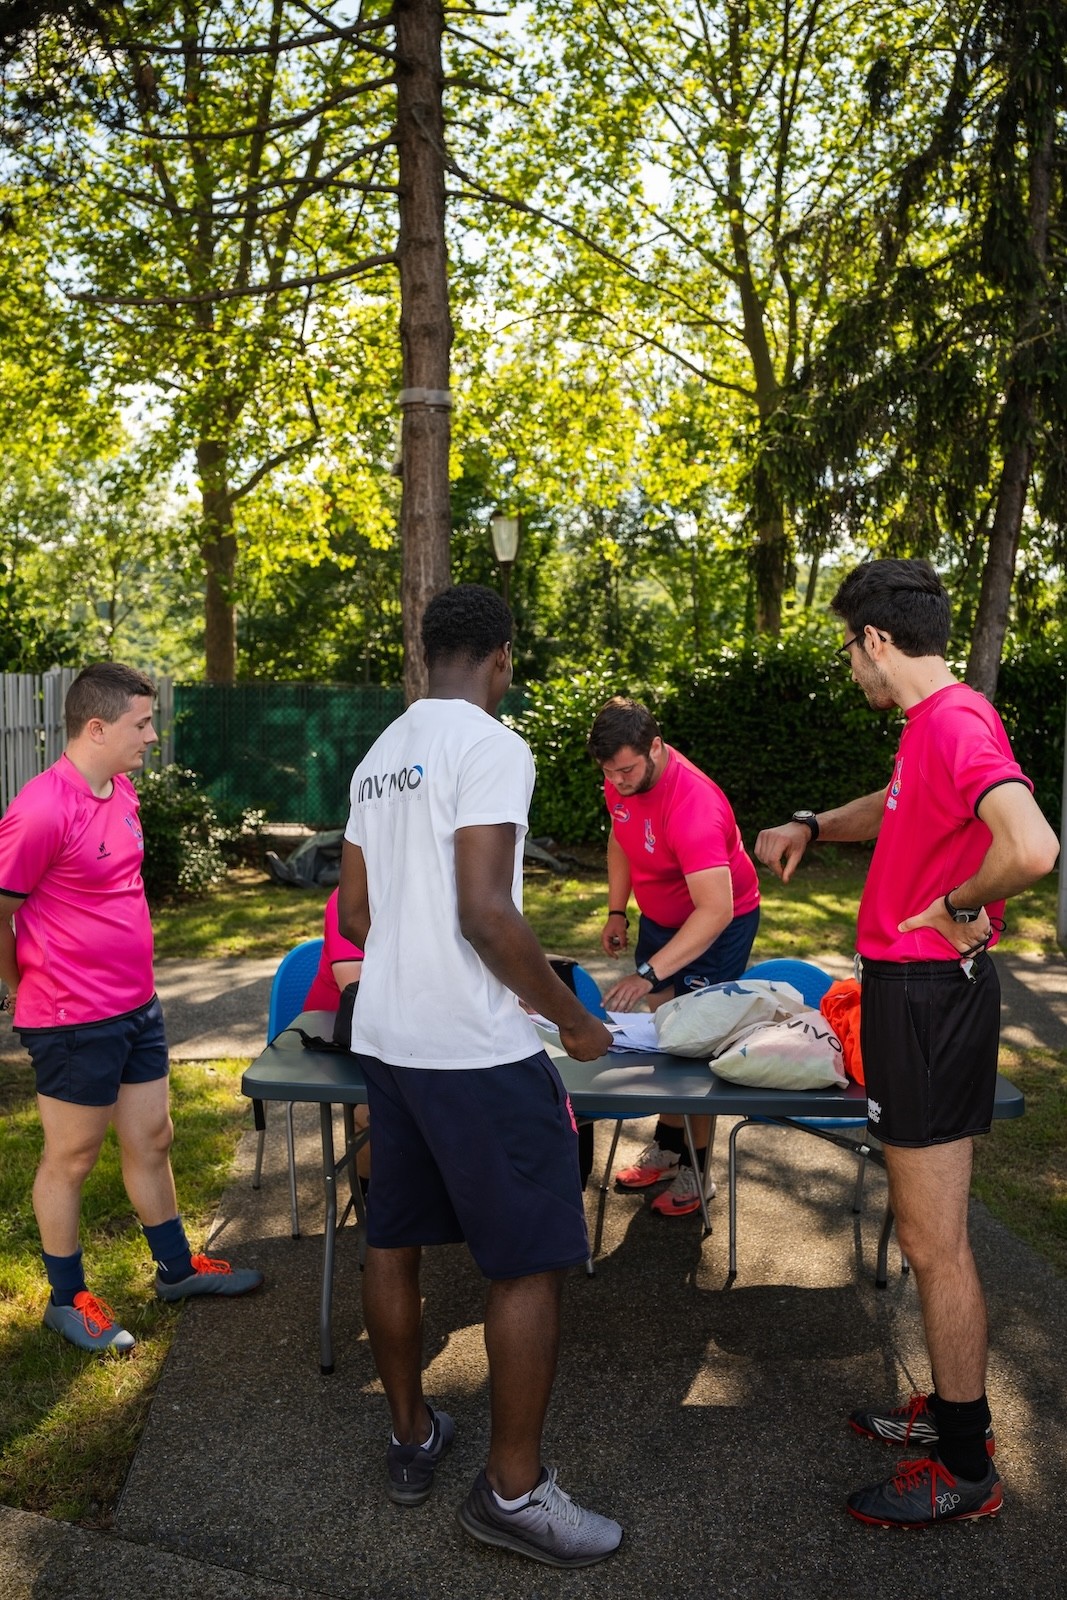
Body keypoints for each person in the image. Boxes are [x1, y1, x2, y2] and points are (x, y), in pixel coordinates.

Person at [754, 558, 1059, 1530]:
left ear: (874, 641)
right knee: (933, 1239)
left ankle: (965, 1462)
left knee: (932, 1243)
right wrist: (810, 821)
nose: (850, 666)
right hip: (913, 997)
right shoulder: (929, 730)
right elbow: (892, 809)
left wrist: (959, 902)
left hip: (926, 999)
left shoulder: (956, 722)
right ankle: (952, 1409)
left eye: (848, 649)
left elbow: (1031, 844)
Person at [337, 583, 623, 1569]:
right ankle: (511, 1492)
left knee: (394, 1237)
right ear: (501, 657)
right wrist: (577, 1022)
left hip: (389, 1037)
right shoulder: (491, 746)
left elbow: (361, 914)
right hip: (474, 1052)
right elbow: (486, 913)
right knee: (527, 1259)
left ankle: (412, 1433)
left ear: (427, 653)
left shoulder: (378, 756)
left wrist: (417, 965)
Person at [0, 663, 263, 1354]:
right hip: (70, 1017)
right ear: (96, 727)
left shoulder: (120, 791)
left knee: (153, 1139)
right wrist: (17, 985)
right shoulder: (40, 809)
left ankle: (176, 1270)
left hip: (136, 1007)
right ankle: (66, 1299)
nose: (152, 735)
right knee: (72, 1156)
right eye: (140, 724)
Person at [587, 697, 760, 1216]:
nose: (617, 781)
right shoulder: (622, 776)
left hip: (719, 925)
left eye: (627, 770)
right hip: (663, 919)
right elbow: (622, 838)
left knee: (695, 1040)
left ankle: (697, 1171)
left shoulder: (694, 805)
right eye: (609, 772)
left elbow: (714, 911)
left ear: (656, 747)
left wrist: (647, 974)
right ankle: (668, 1146)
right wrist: (617, 909)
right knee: (661, 1027)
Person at [303, 886, 369, 1185]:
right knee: (376, 1105)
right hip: (336, 1033)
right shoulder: (350, 899)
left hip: (392, 1027)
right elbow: (356, 991)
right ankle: (372, 1195)